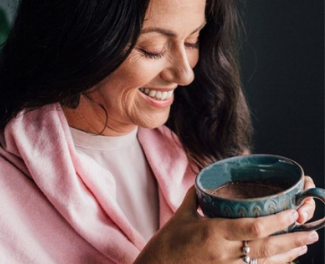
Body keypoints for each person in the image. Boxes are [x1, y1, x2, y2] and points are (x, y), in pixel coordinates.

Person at [0, 0, 318, 263]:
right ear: (79, 42)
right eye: (153, 49)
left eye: (193, 40)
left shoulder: (202, 149)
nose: (184, 74)